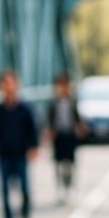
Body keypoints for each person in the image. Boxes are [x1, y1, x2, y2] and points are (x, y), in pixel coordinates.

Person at [0, 68, 39, 218]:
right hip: (4, 156)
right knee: (4, 192)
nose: (8, 87)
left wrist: (34, 147)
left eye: (10, 83)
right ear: (1, 87)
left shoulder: (24, 109)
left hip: (21, 154)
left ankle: (25, 213)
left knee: (24, 189)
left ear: (16, 85)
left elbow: (32, 130)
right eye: (4, 83)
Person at [44, 70, 82, 202]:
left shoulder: (72, 101)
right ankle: (60, 188)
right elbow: (49, 119)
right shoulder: (54, 102)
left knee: (70, 164)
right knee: (59, 164)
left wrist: (79, 128)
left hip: (70, 135)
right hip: (58, 136)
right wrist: (49, 132)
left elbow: (77, 118)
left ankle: (69, 186)